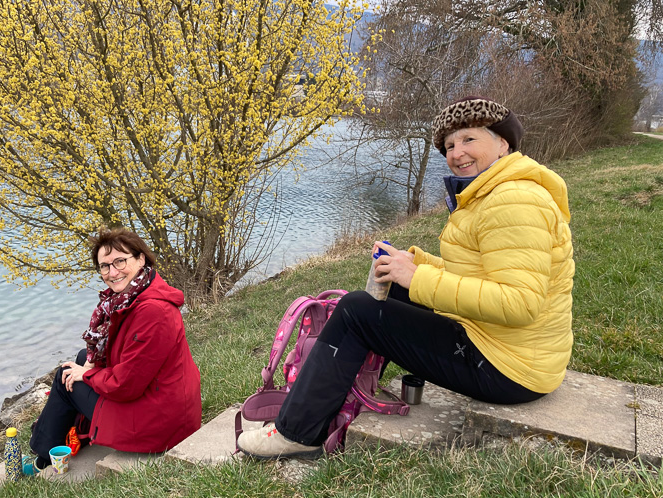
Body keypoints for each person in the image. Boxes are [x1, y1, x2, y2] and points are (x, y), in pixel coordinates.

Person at [237, 96, 575, 459]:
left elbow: (519, 303)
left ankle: (297, 432)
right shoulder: (493, 192)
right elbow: (479, 273)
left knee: (355, 311)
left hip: (508, 369)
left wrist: (418, 278)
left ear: (503, 143)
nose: (458, 152)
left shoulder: (513, 200)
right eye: (449, 145)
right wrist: (413, 264)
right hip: (506, 348)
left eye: (469, 139)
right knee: (391, 289)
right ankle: (337, 393)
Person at [29, 227, 201, 469]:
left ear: (141, 259)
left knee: (65, 377)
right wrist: (89, 365)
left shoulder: (153, 311)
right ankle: (73, 437)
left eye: (120, 261)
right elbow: (123, 353)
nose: (112, 272)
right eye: (105, 266)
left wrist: (86, 374)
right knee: (82, 358)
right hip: (164, 403)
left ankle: (43, 459)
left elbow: (125, 386)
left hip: (159, 425)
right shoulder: (137, 295)